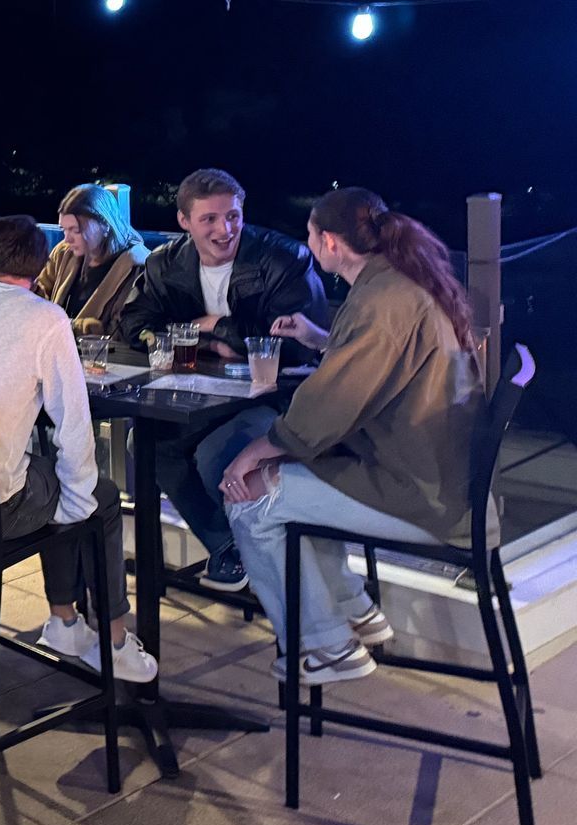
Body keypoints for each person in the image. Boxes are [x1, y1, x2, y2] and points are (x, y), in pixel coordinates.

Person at [219, 188, 484, 685]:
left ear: (330, 242)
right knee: (296, 481)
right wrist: (319, 338)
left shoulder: (382, 300)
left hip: (424, 496)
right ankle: (353, 610)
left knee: (250, 497)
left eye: (310, 235)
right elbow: (381, 364)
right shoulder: (401, 283)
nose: (309, 244)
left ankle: (326, 645)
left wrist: (255, 453)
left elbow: (326, 410)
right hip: (440, 482)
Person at [0, 216, 157, 682]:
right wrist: (75, 505)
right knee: (98, 496)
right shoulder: (46, 318)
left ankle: (66, 622)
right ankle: (113, 642)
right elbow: (73, 421)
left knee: (54, 481)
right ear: (38, 266)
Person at [116, 167, 330, 593]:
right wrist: (209, 336)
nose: (224, 229)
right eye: (209, 219)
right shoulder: (164, 263)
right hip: (204, 396)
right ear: (184, 221)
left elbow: (294, 346)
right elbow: (134, 326)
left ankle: (281, 566)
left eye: (232, 216)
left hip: (275, 397)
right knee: (146, 441)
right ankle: (229, 547)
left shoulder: (283, 258)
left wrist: (214, 326)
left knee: (216, 453)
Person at [33, 184, 149, 336]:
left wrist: (64, 327)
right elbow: (38, 300)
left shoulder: (139, 269)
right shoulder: (63, 253)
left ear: (105, 225)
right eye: (64, 229)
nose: (67, 239)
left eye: (76, 230)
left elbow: (121, 331)